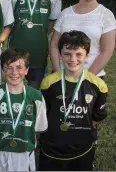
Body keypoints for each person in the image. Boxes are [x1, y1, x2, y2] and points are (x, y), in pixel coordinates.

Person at [39, 31, 108, 171]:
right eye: (67, 54)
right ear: (60, 54)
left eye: (78, 54)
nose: (73, 59)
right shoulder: (48, 83)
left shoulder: (99, 86)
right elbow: (44, 113)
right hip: (52, 149)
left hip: (82, 149)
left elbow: (97, 116)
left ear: (87, 56)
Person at [8, 0, 62, 89]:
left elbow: (52, 21)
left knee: (34, 91)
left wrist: (37, 34)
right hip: (15, 51)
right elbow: (8, 22)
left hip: (39, 51)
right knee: (14, 88)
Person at [0, 48, 48, 171]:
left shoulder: (36, 97)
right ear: (3, 70)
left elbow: (38, 127)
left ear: (27, 70)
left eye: (19, 67)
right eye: (9, 67)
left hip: (23, 153)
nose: (14, 72)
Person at [50, 0, 116, 79]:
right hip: (62, 76)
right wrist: (58, 73)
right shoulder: (65, 13)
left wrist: (87, 78)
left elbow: (107, 50)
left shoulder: (106, 15)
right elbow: (54, 45)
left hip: (92, 77)